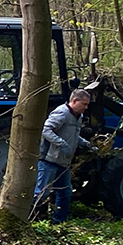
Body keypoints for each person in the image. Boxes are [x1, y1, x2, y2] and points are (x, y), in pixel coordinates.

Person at [34, 88, 92, 224]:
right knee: (41, 193)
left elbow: (74, 136)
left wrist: (87, 144)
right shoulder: (62, 113)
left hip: (64, 162)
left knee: (65, 193)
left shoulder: (79, 117)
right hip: (49, 160)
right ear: (74, 101)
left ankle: (59, 222)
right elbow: (46, 130)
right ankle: (34, 220)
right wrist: (61, 144)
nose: (86, 107)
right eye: (84, 104)